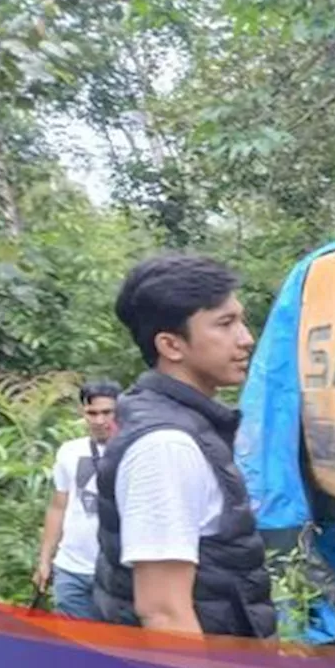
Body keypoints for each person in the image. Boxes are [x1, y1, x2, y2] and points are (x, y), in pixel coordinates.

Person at [93, 253, 277, 638]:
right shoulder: (166, 446)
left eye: (241, 320)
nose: (246, 338)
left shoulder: (187, 424)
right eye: (225, 324)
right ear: (171, 345)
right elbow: (164, 614)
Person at [33, 380, 121, 620]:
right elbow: (58, 506)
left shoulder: (134, 450)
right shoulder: (69, 452)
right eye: (92, 413)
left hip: (116, 571)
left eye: (106, 412)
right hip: (71, 567)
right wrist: (45, 560)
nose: (99, 420)